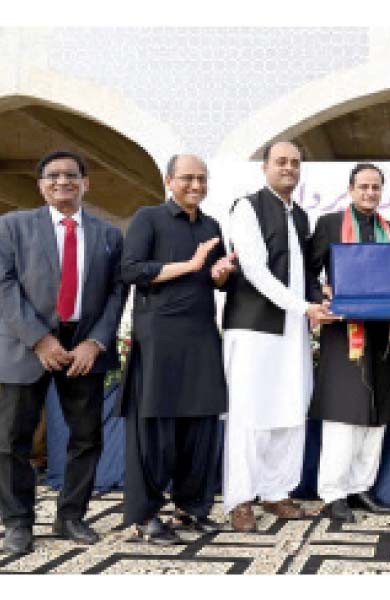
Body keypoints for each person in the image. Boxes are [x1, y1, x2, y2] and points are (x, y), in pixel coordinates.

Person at [0, 150, 125, 555]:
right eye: (52, 175)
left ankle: (70, 516)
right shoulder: (12, 226)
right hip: (26, 345)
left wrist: (97, 341)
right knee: (12, 440)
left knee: (86, 437)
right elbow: (4, 286)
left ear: (85, 183)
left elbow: (115, 292)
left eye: (71, 175)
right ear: (40, 185)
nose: (62, 181)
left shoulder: (108, 235)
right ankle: (18, 521)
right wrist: (39, 339)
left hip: (83, 348)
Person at [118, 154, 235, 545]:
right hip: (159, 337)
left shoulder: (212, 225)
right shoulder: (147, 218)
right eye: (188, 178)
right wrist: (191, 264)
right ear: (170, 181)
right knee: (155, 429)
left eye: (202, 178)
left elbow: (217, 278)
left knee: (200, 426)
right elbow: (132, 271)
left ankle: (192, 507)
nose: (196, 186)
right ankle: (145, 516)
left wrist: (219, 274)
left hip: (201, 335)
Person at [221, 141, 334, 531]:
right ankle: (240, 499)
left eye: (295, 162)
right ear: (265, 167)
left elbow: (305, 274)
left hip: (292, 327)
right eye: (281, 161)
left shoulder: (301, 216)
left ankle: (276, 491)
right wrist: (304, 306)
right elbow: (253, 268)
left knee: (289, 406)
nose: (288, 167)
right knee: (249, 413)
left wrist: (319, 296)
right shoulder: (247, 207)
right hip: (254, 326)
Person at [308, 163, 390, 522]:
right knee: (343, 414)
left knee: (376, 414)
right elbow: (308, 271)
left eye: (375, 187)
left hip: (384, 335)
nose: (369, 193)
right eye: (363, 186)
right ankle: (334, 493)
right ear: (350, 189)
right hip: (344, 331)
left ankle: (361, 488)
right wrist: (322, 295)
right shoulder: (330, 225)